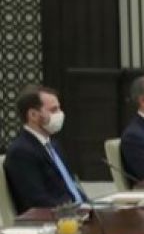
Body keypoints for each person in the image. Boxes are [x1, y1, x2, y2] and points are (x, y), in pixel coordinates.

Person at [3, 85, 87, 214]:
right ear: (33, 115)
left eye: (59, 108)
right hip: (55, 219)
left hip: (79, 212)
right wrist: (75, 212)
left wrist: (91, 206)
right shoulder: (21, 152)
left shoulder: (53, 144)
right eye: (53, 110)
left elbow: (70, 186)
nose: (60, 114)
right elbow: (37, 201)